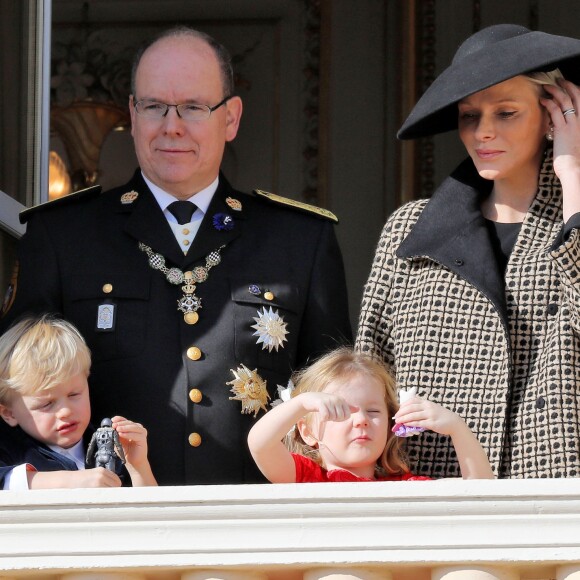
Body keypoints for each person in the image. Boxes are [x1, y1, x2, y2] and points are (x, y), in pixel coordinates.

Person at [0, 26, 352, 485]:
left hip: (262, 528)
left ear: (231, 118)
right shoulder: (63, 236)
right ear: (132, 112)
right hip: (111, 529)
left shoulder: (300, 241)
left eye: (193, 107)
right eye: (154, 106)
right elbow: (12, 393)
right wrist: (24, 482)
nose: (172, 125)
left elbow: (339, 400)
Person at [356, 23, 580, 479]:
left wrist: (572, 173)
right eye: (469, 115)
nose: (483, 132)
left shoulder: (571, 222)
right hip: (430, 494)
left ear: (554, 114)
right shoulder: (409, 228)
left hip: (556, 495)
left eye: (506, 113)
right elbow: (368, 374)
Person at [247, 348, 494, 482]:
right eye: (340, 411)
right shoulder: (304, 477)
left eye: (374, 411)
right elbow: (259, 444)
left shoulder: (405, 488)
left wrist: (457, 429)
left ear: (390, 425)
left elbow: (480, 499)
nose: (362, 419)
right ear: (308, 431)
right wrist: (301, 405)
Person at [0, 316, 157, 489]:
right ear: (9, 413)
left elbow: (153, 514)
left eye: (74, 394)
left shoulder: (111, 446)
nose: (65, 411)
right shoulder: (8, 450)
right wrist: (69, 481)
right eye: (46, 404)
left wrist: (138, 467)